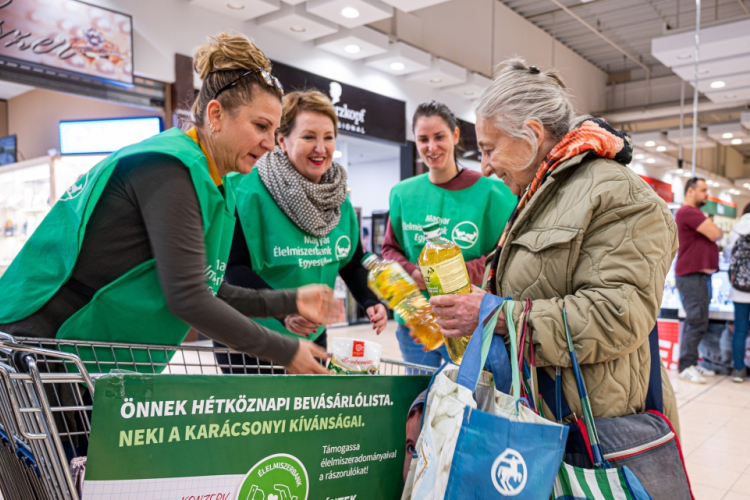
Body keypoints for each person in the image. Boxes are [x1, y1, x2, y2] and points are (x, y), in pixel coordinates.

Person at [0, 33, 336, 375]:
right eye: (260, 126)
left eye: (274, 129)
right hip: (47, 347)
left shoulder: (217, 183)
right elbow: (189, 298)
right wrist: (283, 350)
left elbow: (210, 289)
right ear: (216, 115)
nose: (270, 144)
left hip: (84, 356)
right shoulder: (171, 169)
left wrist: (290, 300)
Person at [428, 59, 681, 432]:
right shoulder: (542, 194)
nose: (484, 167)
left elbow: (617, 316)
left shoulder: (621, 196)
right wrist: (477, 301)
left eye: (489, 148)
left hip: (592, 427)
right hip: (540, 418)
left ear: (531, 134)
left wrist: (497, 315)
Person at [219, 89, 387, 370]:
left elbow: (350, 260)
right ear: (282, 140)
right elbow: (232, 270)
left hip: (311, 336)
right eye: (309, 136)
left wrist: (370, 300)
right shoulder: (245, 189)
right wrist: (285, 310)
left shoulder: (337, 197)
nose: (321, 148)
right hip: (252, 338)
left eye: (329, 137)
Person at [382, 101, 515, 367]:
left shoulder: (494, 192)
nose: (431, 147)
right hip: (415, 322)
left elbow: (504, 254)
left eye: (439, 137)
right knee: (419, 399)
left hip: (468, 320)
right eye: (423, 139)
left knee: (470, 399)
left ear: (455, 135)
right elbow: (389, 249)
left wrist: (450, 277)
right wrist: (414, 273)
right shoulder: (402, 194)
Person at [674, 177, 722, 383]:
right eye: (703, 190)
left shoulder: (694, 213)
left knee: (699, 321)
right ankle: (685, 365)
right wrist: (714, 232)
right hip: (691, 276)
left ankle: (692, 362)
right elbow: (716, 233)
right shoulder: (688, 212)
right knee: (695, 321)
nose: (706, 194)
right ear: (690, 191)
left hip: (699, 276)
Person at [723, 203, 750, 382]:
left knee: (740, 329)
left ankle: (739, 370)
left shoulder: (736, 229)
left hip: (739, 289)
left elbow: (727, 255)